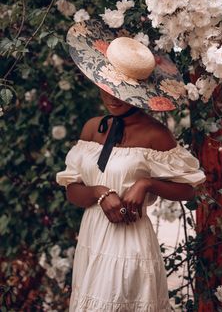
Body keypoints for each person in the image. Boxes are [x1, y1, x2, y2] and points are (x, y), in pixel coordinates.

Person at [56, 20, 206, 311]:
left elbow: (188, 189)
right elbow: (72, 191)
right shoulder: (91, 129)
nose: (112, 97)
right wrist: (100, 192)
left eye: (121, 89)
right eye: (108, 86)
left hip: (130, 245)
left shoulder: (155, 135)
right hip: (91, 238)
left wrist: (146, 183)